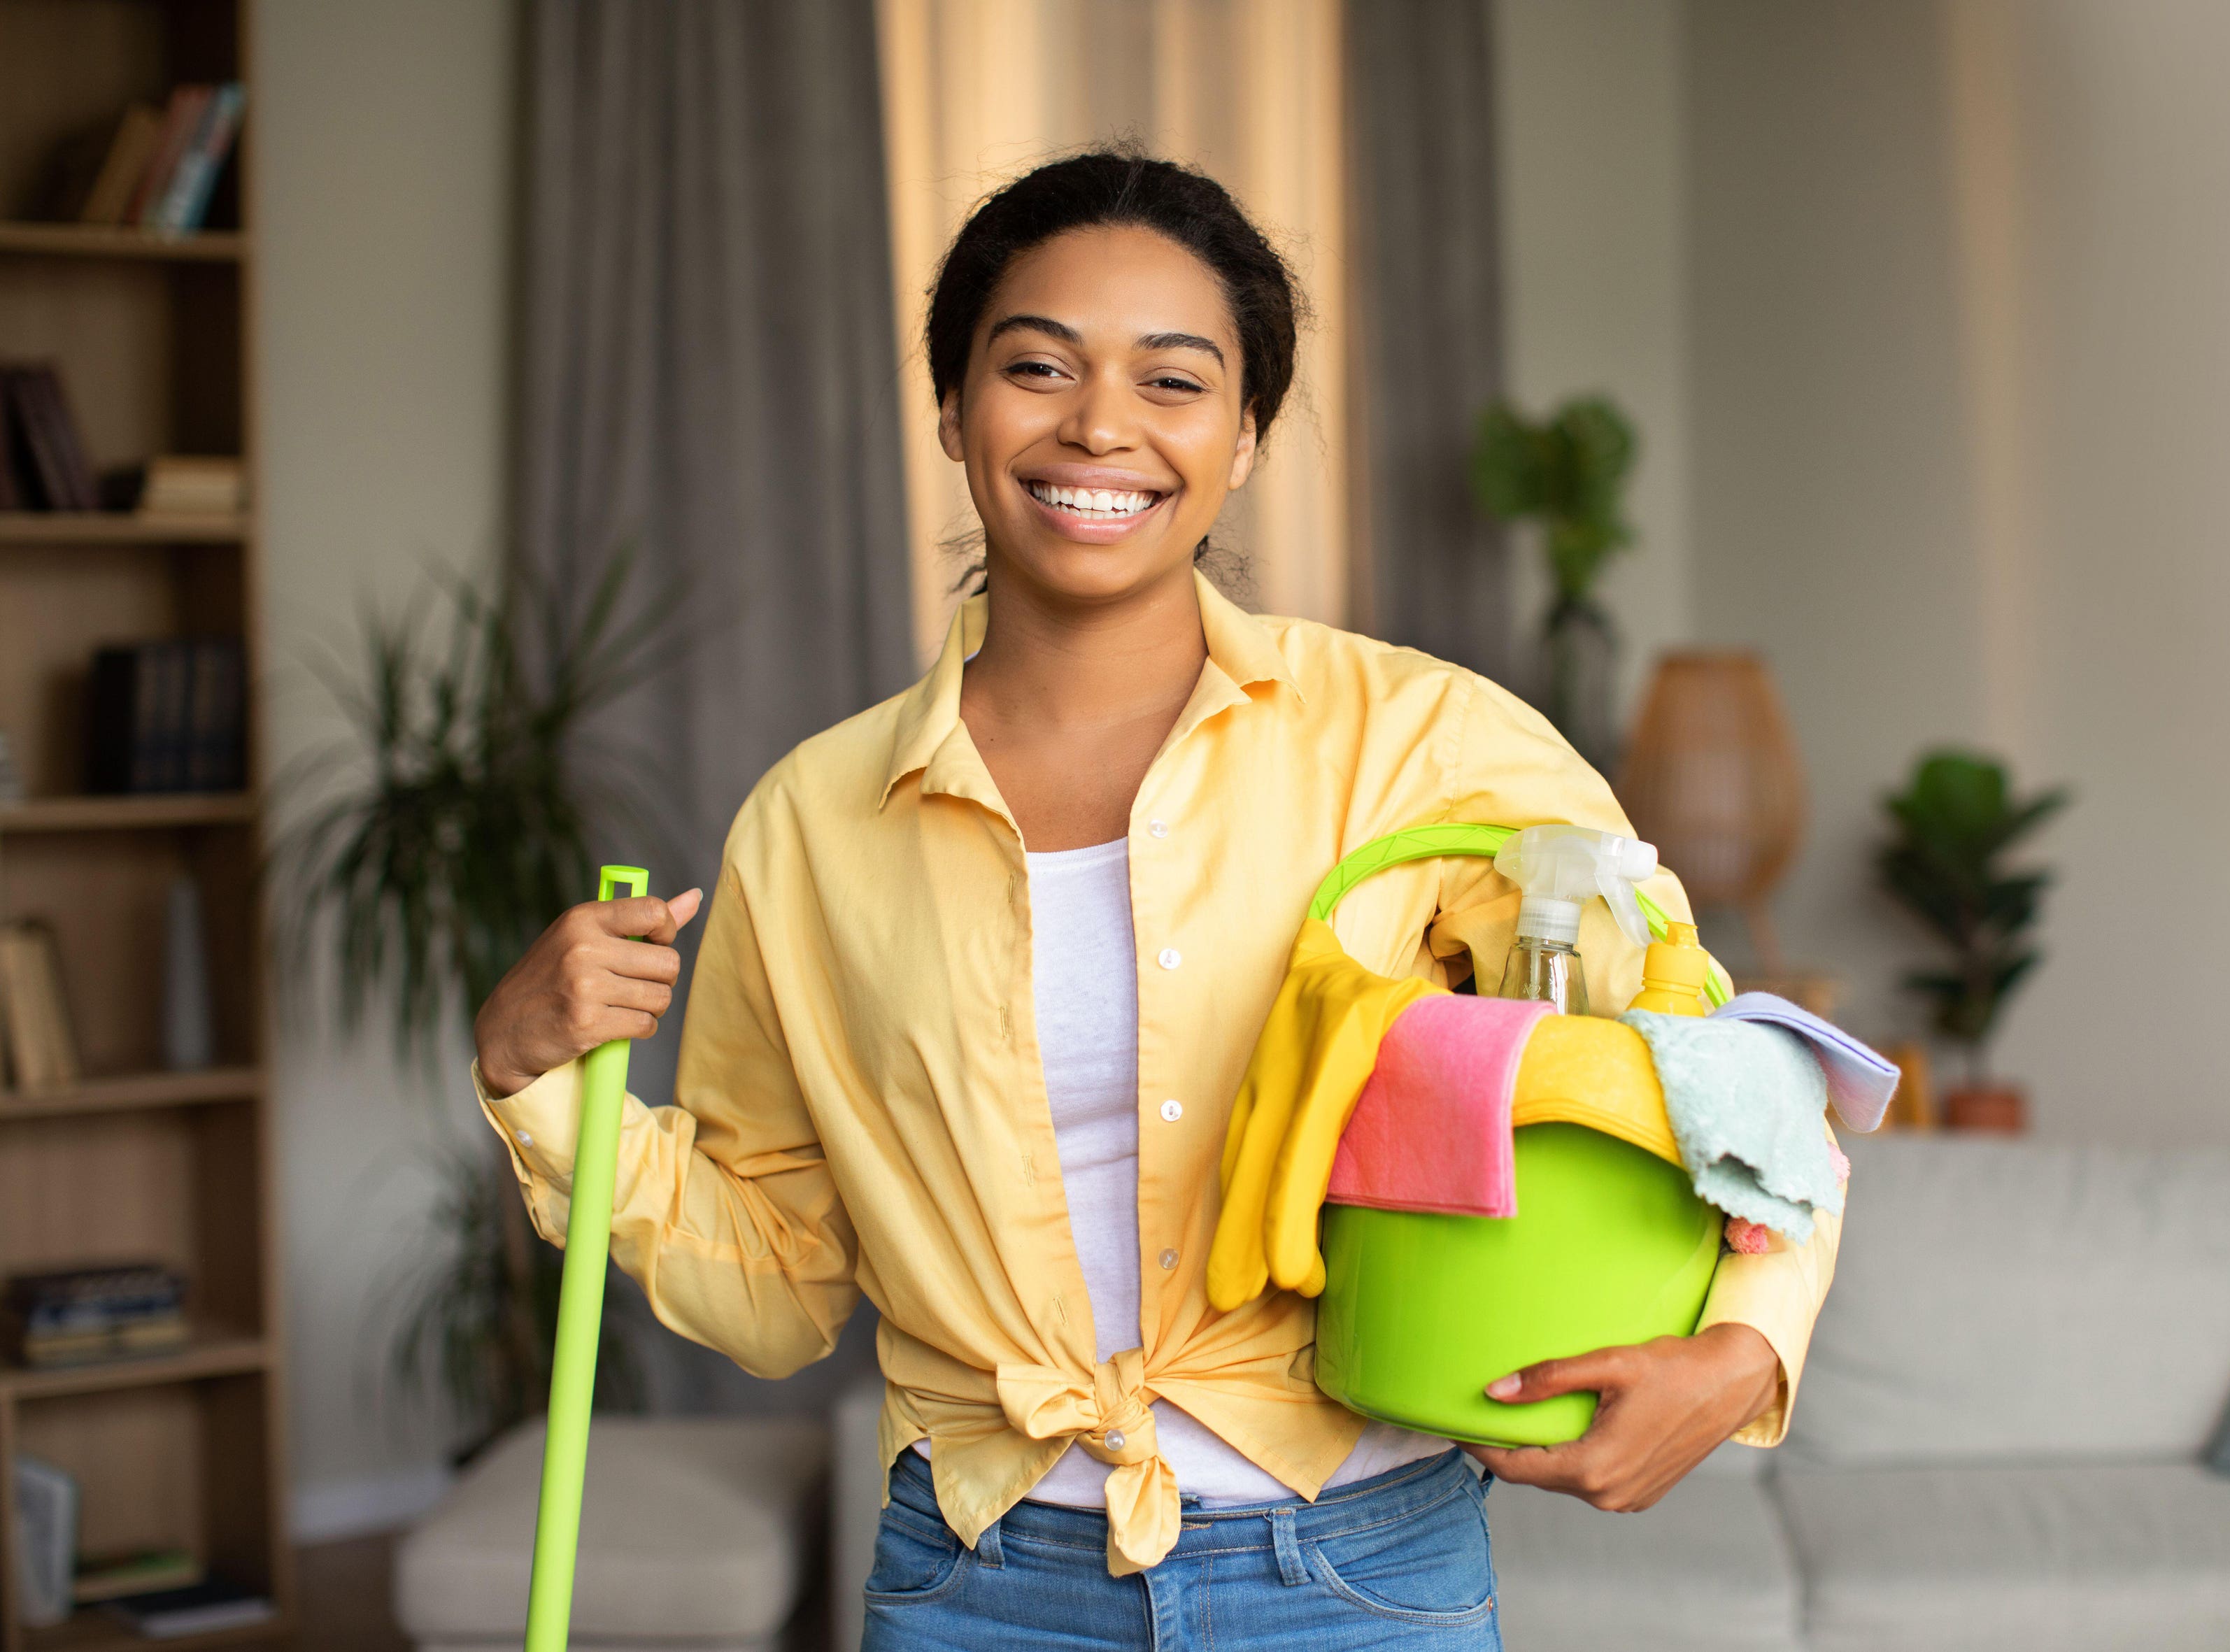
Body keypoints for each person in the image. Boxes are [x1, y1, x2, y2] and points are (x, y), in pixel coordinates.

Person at [473, 150, 1836, 1651]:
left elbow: (1727, 1082)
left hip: (1356, 1575)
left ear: (1245, 436)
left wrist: (1737, 1355)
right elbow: (781, 1283)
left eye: (1172, 381)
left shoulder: (1423, 742)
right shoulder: (809, 823)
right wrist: (538, 1081)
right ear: (951, 409)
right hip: (974, 1581)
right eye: (1036, 365)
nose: (1098, 425)